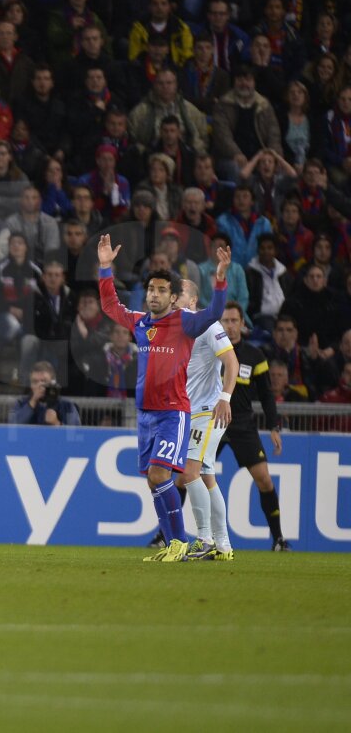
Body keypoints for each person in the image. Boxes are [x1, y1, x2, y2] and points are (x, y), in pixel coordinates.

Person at [96, 233, 230, 563]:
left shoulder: (184, 322)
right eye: (151, 290)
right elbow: (110, 306)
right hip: (146, 414)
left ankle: (181, 541)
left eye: (161, 290)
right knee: (152, 480)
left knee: (160, 476)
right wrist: (105, 268)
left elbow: (214, 311)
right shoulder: (141, 323)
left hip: (173, 413)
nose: (154, 295)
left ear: (173, 297)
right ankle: (172, 545)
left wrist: (220, 279)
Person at [168, 279, 240, 560]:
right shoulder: (172, 330)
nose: (174, 298)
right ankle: (223, 546)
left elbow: (231, 362)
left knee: (188, 472)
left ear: (193, 301)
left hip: (208, 411)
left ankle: (205, 539)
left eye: (180, 293)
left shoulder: (208, 326)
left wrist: (225, 397)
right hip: (187, 413)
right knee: (206, 476)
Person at [216, 303, 290, 551]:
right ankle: (165, 535)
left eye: (234, 321)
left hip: (242, 425)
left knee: (264, 480)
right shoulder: (210, 351)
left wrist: (274, 427)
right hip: (212, 423)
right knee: (185, 477)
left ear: (242, 323)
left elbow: (267, 395)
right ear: (220, 324)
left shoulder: (254, 356)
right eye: (225, 321)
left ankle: (278, 539)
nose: (230, 326)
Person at [9, 361, 80, 427]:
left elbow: (76, 432)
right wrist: (33, 401)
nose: (39, 385)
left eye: (44, 381)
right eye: (35, 382)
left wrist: (57, 423)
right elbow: (11, 428)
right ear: (30, 385)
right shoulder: (21, 402)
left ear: (53, 382)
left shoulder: (66, 405)